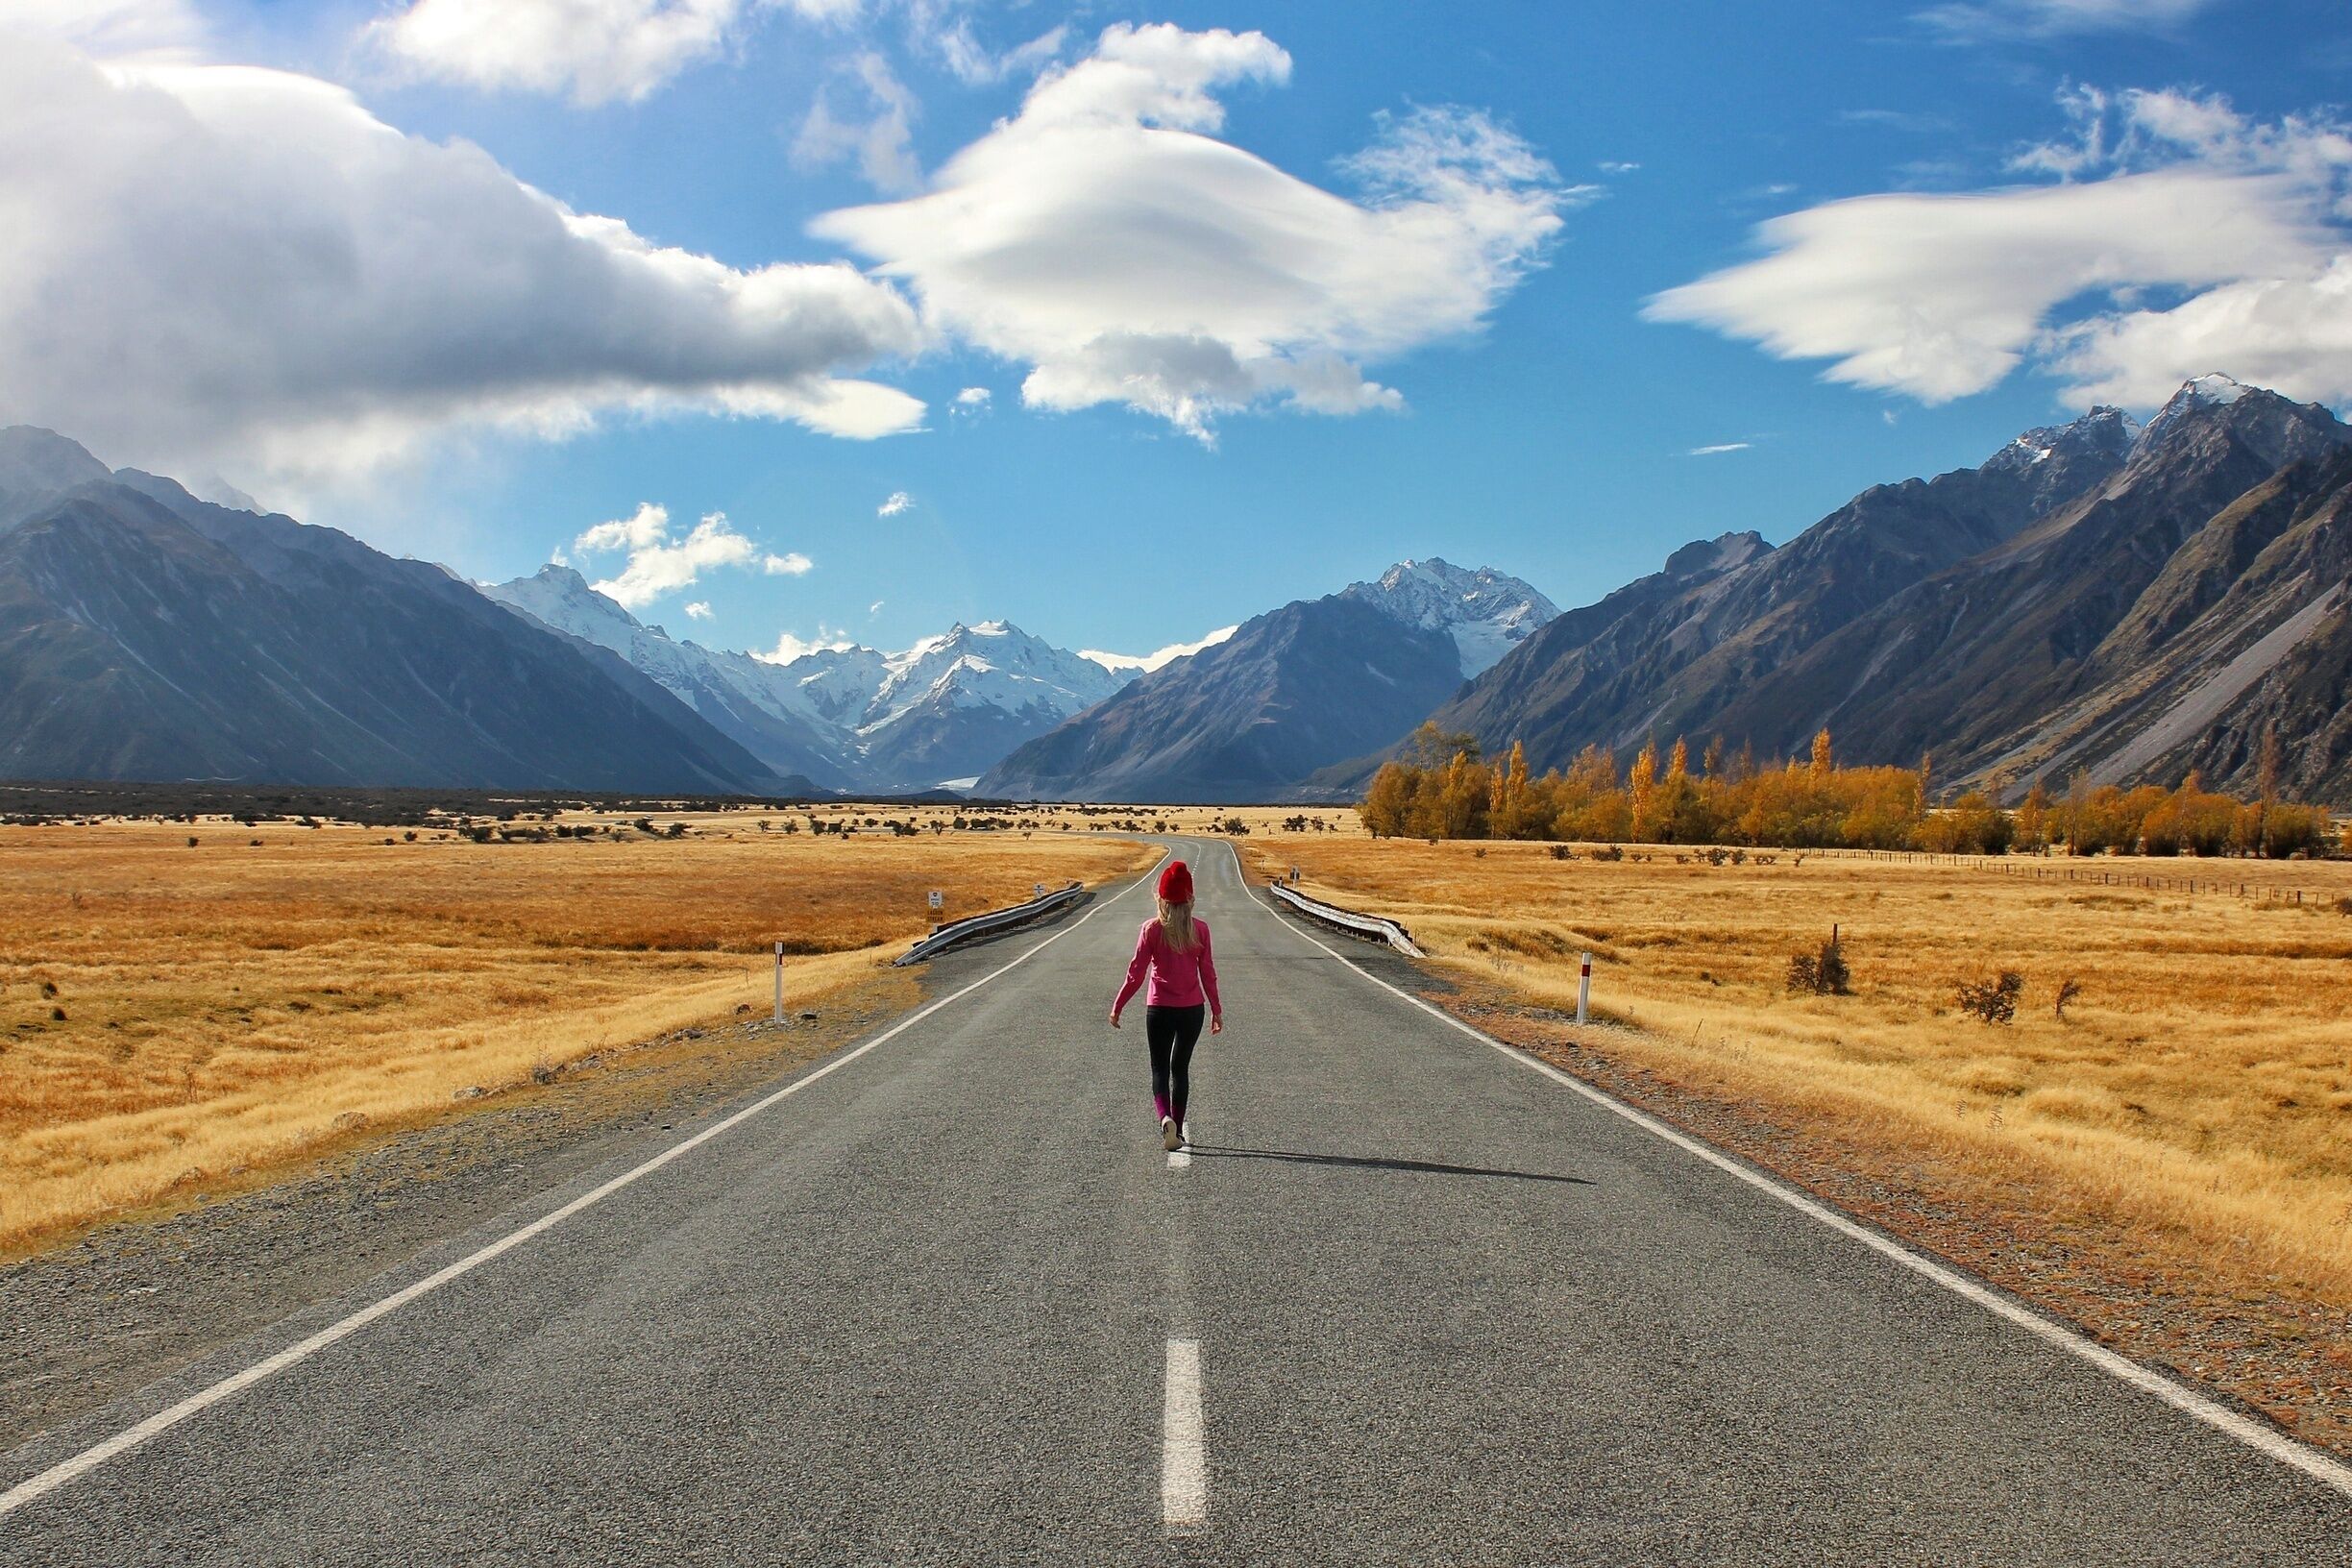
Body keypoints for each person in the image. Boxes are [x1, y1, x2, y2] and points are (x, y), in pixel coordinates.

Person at [1110, 859, 1223, 1151]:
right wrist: (1216, 1009)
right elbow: (1208, 973)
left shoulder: (1151, 929)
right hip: (1192, 1010)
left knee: (1159, 1069)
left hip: (1159, 1009)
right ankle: (1179, 1130)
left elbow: (1135, 973)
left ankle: (1165, 1119)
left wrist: (1118, 1005)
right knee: (1180, 1069)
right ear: (1190, 899)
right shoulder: (1201, 930)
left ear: (1161, 898)